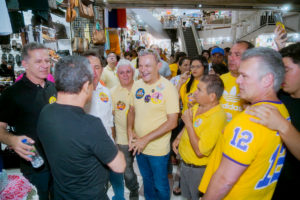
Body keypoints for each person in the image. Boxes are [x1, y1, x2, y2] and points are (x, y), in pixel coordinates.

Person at [199, 47, 289, 200]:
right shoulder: (281, 111)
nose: (238, 80)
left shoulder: (250, 120)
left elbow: (225, 180)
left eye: (244, 76)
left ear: (267, 79)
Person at [37, 56, 126, 200]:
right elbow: (119, 166)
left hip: (61, 194)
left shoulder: (45, 112)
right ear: (86, 86)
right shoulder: (90, 124)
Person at [0, 42, 56, 200]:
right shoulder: (12, 94)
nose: (45, 65)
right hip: (34, 166)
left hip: (59, 162)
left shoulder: (55, 88)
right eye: (39, 61)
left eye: (47, 60)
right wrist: (12, 139)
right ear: (24, 64)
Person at [245, 42, 300, 199]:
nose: (280, 75)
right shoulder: (278, 96)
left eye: (287, 70)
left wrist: (282, 126)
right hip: (268, 184)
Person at [127, 49, 179, 200]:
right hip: (139, 147)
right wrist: (130, 130)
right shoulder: (137, 85)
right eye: (140, 65)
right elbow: (131, 110)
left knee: (160, 184)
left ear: (159, 65)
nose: (143, 70)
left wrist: (146, 139)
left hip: (158, 150)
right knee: (147, 181)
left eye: (148, 66)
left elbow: (172, 122)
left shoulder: (168, 88)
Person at [172, 74, 227, 200]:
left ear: (212, 96)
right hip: (185, 164)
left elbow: (200, 151)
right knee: (187, 196)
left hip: (198, 171)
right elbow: (189, 126)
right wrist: (179, 138)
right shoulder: (199, 106)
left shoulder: (217, 117)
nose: (195, 93)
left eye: (199, 90)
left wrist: (188, 123)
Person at [83, 51, 125, 200]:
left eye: (97, 67)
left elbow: (109, 121)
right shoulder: (77, 94)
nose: (93, 72)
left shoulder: (105, 92)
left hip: (109, 146)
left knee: (118, 183)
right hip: (89, 154)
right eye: (89, 67)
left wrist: (114, 143)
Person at [110, 59, 140, 200]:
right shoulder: (112, 93)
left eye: (128, 71)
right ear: (117, 75)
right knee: (127, 170)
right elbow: (111, 117)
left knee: (147, 169)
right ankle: (133, 188)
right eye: (122, 72)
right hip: (122, 139)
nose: (125, 75)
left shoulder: (141, 89)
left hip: (144, 137)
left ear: (133, 72)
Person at [219, 41, 254, 122]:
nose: (231, 58)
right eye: (230, 54)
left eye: (237, 55)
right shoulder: (220, 79)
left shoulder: (256, 83)